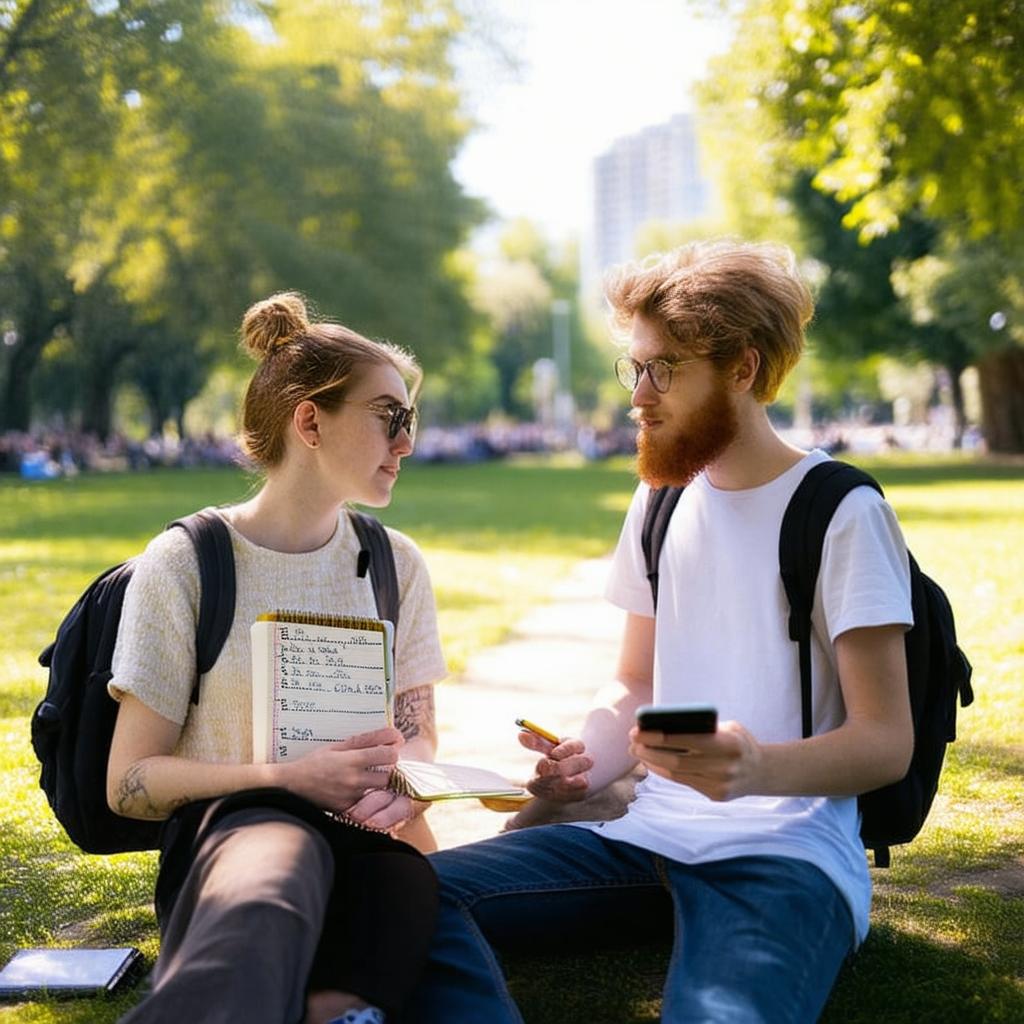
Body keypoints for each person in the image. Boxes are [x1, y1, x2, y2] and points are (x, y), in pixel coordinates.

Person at [409, 239, 915, 1023]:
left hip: (784, 855)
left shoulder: (842, 512)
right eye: (635, 367)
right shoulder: (661, 500)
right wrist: (586, 762)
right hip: (645, 838)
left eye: (664, 368)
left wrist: (754, 768)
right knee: (399, 898)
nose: (638, 395)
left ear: (742, 370)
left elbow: (886, 743)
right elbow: (636, 681)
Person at [106, 292, 447, 1024]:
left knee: (406, 887)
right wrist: (284, 780)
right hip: (234, 837)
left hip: (371, 842)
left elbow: (418, 731)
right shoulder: (187, 562)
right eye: (391, 416)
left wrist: (408, 784)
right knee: (280, 852)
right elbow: (129, 782)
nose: (407, 442)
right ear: (309, 420)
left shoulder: (396, 564)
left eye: (409, 420)